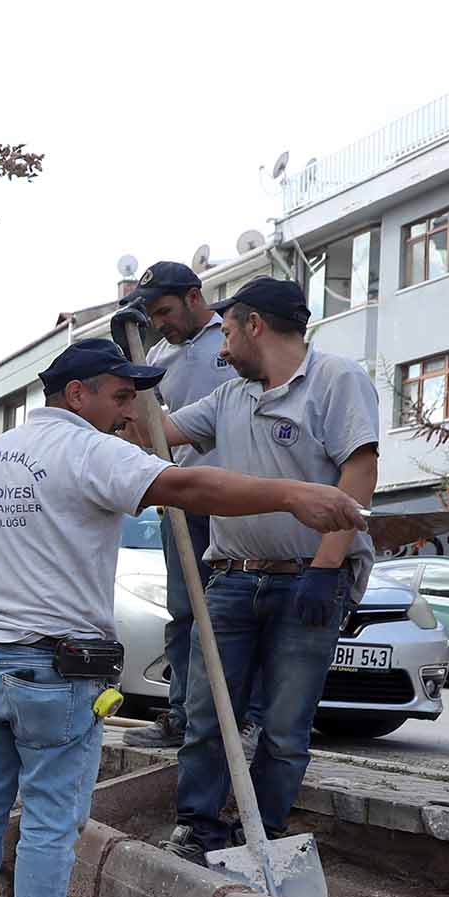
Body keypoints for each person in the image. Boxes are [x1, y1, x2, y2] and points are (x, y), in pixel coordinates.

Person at [0, 337, 369, 897]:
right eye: (117, 395)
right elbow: (187, 485)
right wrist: (292, 495)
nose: (128, 411)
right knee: (52, 816)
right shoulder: (86, 450)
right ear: (76, 394)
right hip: (54, 666)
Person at [155, 275, 382, 866]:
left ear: (255, 325)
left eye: (227, 332)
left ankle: (266, 835)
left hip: (306, 581)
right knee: (208, 716)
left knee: (284, 728)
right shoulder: (230, 397)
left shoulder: (336, 380)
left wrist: (327, 568)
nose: (222, 348)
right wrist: (128, 386)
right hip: (231, 579)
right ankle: (199, 829)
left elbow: (357, 474)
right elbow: (161, 434)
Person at [114, 261, 233, 753]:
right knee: (184, 612)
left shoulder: (230, 343)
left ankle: (237, 720)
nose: (160, 323)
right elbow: (147, 431)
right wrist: (129, 372)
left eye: (164, 310)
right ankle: (182, 717)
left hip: (238, 498)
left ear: (193, 296)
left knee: (232, 614)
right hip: (184, 500)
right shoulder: (157, 357)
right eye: (152, 316)